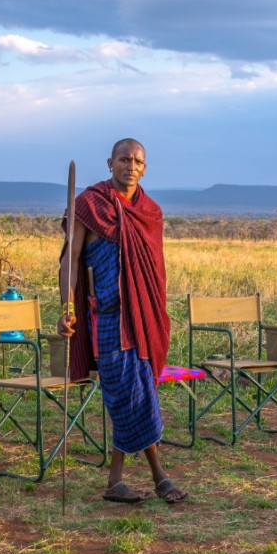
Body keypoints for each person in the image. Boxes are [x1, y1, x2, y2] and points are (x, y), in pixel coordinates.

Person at [57, 138, 187, 504]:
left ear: (144, 168)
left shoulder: (150, 212)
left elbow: (154, 272)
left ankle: (116, 481)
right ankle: (159, 476)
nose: (131, 166)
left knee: (133, 395)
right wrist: (66, 309)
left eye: (138, 161)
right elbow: (70, 260)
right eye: (124, 159)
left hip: (142, 319)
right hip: (108, 319)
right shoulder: (90, 206)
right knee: (127, 394)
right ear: (110, 163)